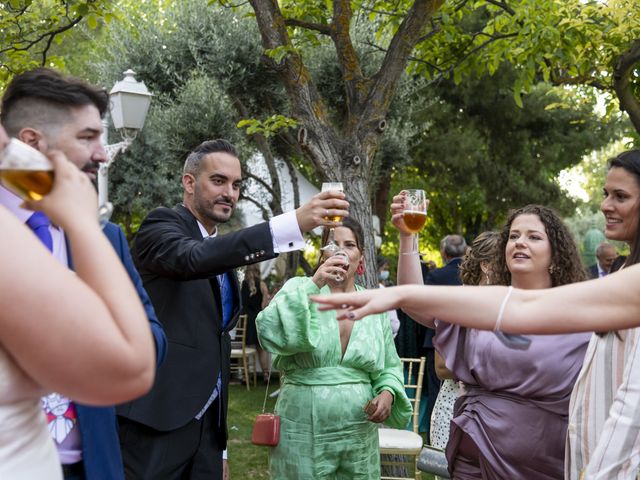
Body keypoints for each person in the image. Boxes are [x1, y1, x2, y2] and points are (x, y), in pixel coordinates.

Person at [116, 138, 349, 480]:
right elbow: (193, 259)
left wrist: (220, 446)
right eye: (219, 181)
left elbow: (217, 342)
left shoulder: (224, 253)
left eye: (237, 185)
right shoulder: (160, 227)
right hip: (157, 421)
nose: (230, 192)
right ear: (189, 182)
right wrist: (293, 224)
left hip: (208, 433)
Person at [323, 198, 591, 479]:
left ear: (556, 252)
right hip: (474, 454)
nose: (520, 242)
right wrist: (407, 236)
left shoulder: (576, 314)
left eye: (533, 237)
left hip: (543, 460)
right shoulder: (479, 305)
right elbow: (414, 300)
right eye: (513, 236)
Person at [0, 68, 167, 480]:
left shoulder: (107, 236)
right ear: (31, 143)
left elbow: (151, 341)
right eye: (86, 137)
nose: (103, 153)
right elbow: (130, 364)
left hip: (91, 464)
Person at [255, 217, 412, 479]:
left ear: (361, 258)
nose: (340, 251)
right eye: (333, 244)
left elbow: (389, 366)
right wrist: (314, 283)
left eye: (349, 245)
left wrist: (387, 393)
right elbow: (268, 332)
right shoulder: (299, 290)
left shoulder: (373, 306)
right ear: (322, 254)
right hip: (302, 430)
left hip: (359, 434)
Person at [429, 232, 499, 458]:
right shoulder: (455, 302)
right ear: (487, 266)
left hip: (498, 417)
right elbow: (441, 367)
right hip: (455, 408)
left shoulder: (511, 303)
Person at [419, 234, 466, 437]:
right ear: (465, 252)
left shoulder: (436, 276)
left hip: (436, 343)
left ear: (443, 253)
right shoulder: (468, 277)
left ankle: (434, 434)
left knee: (435, 393)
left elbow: (423, 309)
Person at [240, 263, 271, 383]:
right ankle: (265, 375)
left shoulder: (243, 284)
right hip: (258, 319)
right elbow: (264, 305)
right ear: (258, 270)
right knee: (261, 349)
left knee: (245, 348)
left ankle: (244, 376)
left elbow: (241, 303)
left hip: (245, 320)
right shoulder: (262, 284)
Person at [377, 255, 400, 337]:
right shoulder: (381, 289)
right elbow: (393, 325)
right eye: (384, 269)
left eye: (387, 270)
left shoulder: (388, 285)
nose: (386, 272)